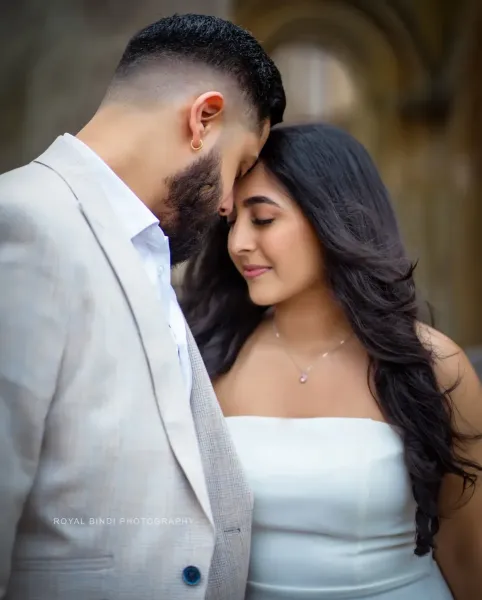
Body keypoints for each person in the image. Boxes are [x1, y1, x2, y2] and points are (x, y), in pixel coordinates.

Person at [0, 14, 285, 600]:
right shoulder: (23, 224)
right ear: (203, 119)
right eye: (241, 166)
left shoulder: (144, 249)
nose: (230, 204)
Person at [182, 123, 482, 600]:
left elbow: (467, 555)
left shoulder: (431, 364)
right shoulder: (208, 359)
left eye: (261, 220)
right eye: (232, 221)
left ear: (332, 220)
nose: (238, 242)